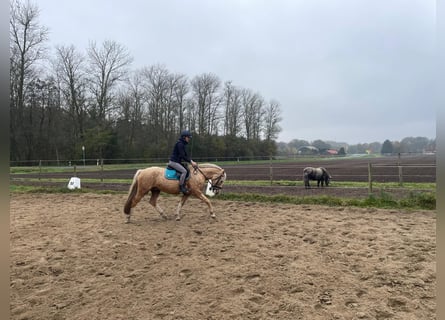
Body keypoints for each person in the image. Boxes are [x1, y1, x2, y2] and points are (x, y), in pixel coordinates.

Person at [168, 130, 197, 194]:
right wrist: (191, 162)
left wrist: (191, 161)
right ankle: (181, 187)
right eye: (188, 137)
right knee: (184, 171)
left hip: (177, 162)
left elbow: (186, 155)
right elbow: (183, 155)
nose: (189, 139)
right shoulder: (180, 144)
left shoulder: (182, 144)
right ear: (184, 137)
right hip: (173, 162)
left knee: (187, 169)